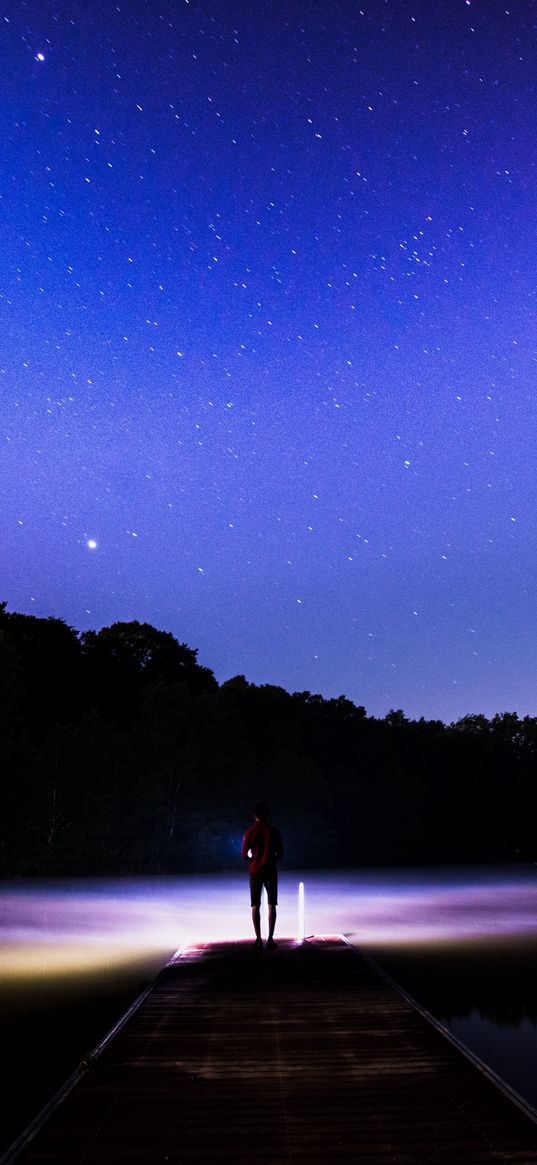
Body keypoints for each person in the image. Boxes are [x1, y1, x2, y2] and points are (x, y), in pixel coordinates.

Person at [241, 804, 283, 949]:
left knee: (255, 905)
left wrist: (254, 861)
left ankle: (258, 938)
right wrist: (270, 860)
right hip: (270, 871)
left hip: (255, 872)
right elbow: (281, 853)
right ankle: (270, 939)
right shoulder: (274, 831)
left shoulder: (250, 832)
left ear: (255, 816)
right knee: (272, 905)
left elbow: (244, 854)